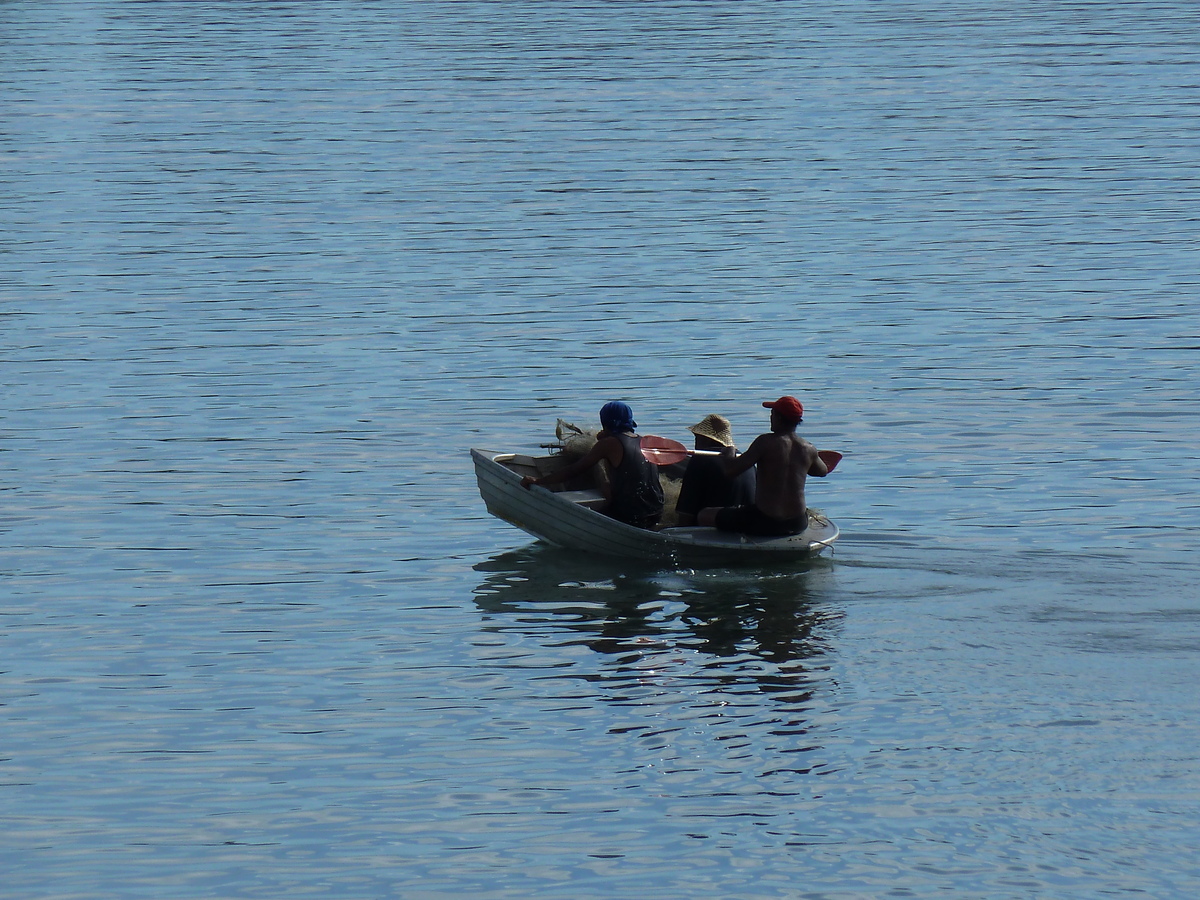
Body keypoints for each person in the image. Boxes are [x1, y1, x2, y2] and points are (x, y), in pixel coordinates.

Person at [697, 395, 828, 536]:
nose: (770, 418)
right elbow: (822, 471)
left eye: (772, 414)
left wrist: (729, 455)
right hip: (797, 523)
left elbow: (731, 471)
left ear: (778, 417)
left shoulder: (765, 442)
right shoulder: (809, 449)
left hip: (765, 521)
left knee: (704, 514)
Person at [521, 400, 664, 529]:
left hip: (632, 517)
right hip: (656, 512)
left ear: (605, 422)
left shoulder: (609, 443)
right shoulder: (645, 442)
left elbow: (574, 470)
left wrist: (539, 481)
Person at [674, 413, 756, 526]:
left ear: (706, 440)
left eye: (697, 438)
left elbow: (686, 513)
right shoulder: (745, 459)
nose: (695, 443)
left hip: (714, 528)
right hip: (748, 525)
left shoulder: (700, 460)